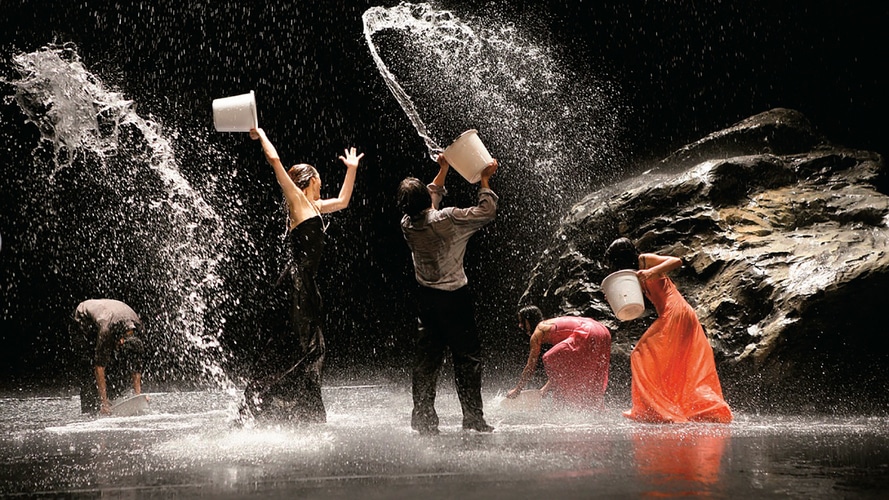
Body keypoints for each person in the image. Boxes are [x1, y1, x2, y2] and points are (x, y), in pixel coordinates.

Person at [242, 127, 364, 423]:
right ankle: (285, 409)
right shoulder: (297, 201)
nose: (322, 183)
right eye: (319, 178)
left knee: (310, 346)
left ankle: (298, 409)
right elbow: (275, 161)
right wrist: (262, 135)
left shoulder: (316, 206)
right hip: (295, 283)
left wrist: (352, 169)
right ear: (310, 181)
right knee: (306, 347)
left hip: (306, 285)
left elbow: (344, 200)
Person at [397, 153, 499, 435]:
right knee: (467, 359)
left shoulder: (407, 224)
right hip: (455, 300)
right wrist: (485, 180)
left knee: (426, 363)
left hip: (426, 301)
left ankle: (424, 420)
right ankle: (473, 418)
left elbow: (428, 201)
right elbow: (487, 211)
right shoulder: (449, 218)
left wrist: (442, 170)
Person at [604, 237, 732, 423]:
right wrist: (613, 295)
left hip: (676, 312)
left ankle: (654, 409)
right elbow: (630, 300)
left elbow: (676, 261)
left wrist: (652, 271)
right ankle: (666, 406)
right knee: (674, 362)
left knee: (639, 354)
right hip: (673, 313)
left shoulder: (645, 260)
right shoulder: (632, 273)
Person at [507, 305, 611, 409]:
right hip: (603, 331)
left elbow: (530, 366)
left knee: (549, 358)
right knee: (592, 372)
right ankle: (596, 408)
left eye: (521, 322)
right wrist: (545, 388)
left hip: (588, 331)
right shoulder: (550, 326)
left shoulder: (538, 331)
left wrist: (517, 390)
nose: (520, 325)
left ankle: (570, 403)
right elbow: (559, 367)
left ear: (528, 321)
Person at [70, 299, 145, 415]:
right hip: (82, 321)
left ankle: (111, 396)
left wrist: (138, 397)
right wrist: (104, 404)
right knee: (90, 364)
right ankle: (90, 409)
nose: (121, 344)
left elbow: (136, 366)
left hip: (111, 316)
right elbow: (99, 367)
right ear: (119, 339)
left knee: (116, 359)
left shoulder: (138, 328)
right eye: (120, 342)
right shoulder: (106, 330)